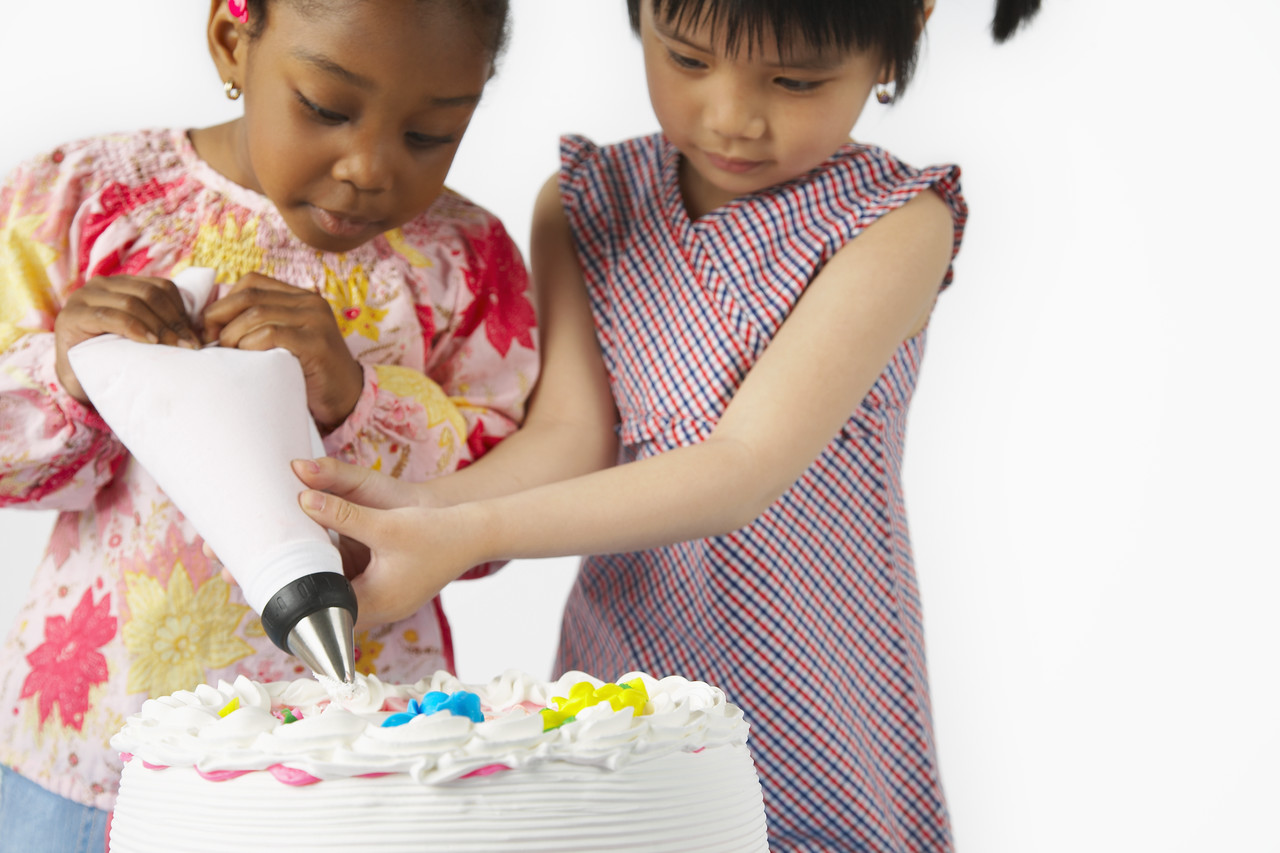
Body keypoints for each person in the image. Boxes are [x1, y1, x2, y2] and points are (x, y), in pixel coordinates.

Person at [293, 0, 1039, 850]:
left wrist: (466, 528)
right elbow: (571, 438)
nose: (730, 116)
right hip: (632, 641)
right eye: (687, 60)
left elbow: (743, 466)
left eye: (795, 81)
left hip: (813, 649)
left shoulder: (898, 221)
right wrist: (413, 510)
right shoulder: (589, 202)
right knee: (632, 819)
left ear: (896, 42)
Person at [0, 0, 534, 849]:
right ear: (230, 39)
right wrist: (68, 372)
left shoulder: (464, 261)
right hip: (95, 748)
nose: (369, 167)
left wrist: (358, 400)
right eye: (327, 108)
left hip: (357, 762)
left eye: (429, 134)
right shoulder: (81, 201)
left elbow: (499, 511)